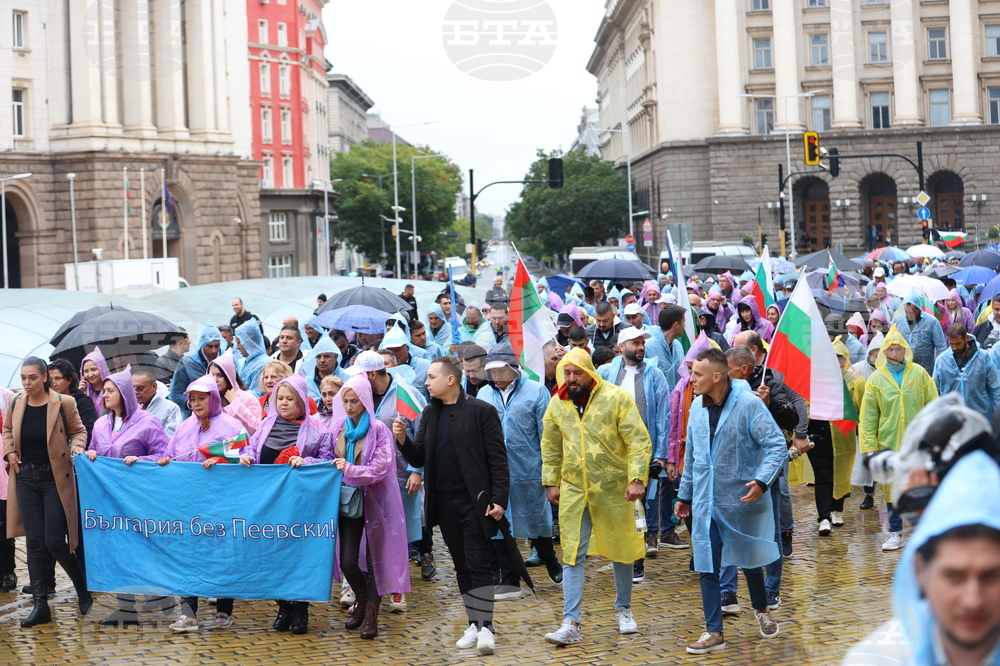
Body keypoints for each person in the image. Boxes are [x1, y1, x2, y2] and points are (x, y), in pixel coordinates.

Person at [393, 357, 509, 656]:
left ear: (450, 380)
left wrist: (499, 500)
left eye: (431, 377)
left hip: (476, 503)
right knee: (460, 566)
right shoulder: (430, 414)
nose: (426, 382)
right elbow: (419, 458)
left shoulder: (481, 411)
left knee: (478, 563)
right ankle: (474, 622)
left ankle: (487, 628)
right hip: (444, 504)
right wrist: (403, 440)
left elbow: (498, 459)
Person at [842, 451, 1000, 666]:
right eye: (954, 576)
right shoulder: (877, 659)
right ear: (920, 572)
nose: (972, 601)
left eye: (991, 576)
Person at [675, 348, 785, 654]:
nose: (691, 379)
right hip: (705, 501)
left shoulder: (749, 404)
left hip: (741, 498)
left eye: (697, 374)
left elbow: (776, 444)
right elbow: (694, 457)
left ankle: (761, 608)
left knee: (748, 558)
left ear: (717, 376)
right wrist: (684, 495)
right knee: (706, 564)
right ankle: (714, 631)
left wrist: (763, 481)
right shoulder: (696, 407)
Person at [540, 347, 651, 646]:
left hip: (616, 489)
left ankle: (624, 608)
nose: (572, 379)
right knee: (572, 551)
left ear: (590, 373)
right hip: (574, 490)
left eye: (578, 373)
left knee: (621, 548)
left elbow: (638, 440)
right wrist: (551, 481)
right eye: (567, 373)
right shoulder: (557, 404)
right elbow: (550, 445)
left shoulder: (616, 399)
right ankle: (570, 621)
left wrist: (637, 478)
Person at [239, 374, 335, 634]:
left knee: (299, 556)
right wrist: (246, 456)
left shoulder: (318, 431)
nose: (283, 403)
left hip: (302, 506)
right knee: (273, 555)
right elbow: (252, 448)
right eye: (279, 398)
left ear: (302, 401)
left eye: (289, 399)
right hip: (270, 504)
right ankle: (283, 605)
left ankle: (301, 607)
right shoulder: (266, 424)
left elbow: (328, 462)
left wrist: (308, 462)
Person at [3, 356, 91, 627]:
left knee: (54, 541)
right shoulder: (16, 402)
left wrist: (77, 446)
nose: (27, 383)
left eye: (32, 377)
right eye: (23, 378)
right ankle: (41, 605)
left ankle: (82, 591)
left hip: (55, 478)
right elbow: (7, 430)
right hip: (26, 478)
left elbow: (79, 431)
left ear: (44, 378)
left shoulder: (64, 402)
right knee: (33, 543)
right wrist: (9, 452)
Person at [157, 375, 246, 632]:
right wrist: (164, 461)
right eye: (192, 399)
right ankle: (189, 614)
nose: (196, 404)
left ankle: (223, 611)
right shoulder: (185, 426)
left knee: (223, 555)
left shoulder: (231, 426)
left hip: (221, 503)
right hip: (188, 505)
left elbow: (247, 457)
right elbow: (170, 452)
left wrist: (223, 462)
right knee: (187, 556)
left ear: (213, 398)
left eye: (201, 398)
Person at [84, 366, 171, 626]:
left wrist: (142, 459)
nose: (105, 395)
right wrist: (90, 455)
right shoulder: (100, 423)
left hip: (138, 497)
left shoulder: (147, 421)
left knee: (140, 547)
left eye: (111, 391)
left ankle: (157, 591)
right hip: (108, 497)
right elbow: (92, 448)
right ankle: (126, 607)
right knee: (116, 550)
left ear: (123, 394)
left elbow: (164, 454)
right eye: (105, 391)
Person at [596, 327, 682, 576]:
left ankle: (636, 559)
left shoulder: (655, 375)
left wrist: (661, 455)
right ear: (621, 347)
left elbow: (664, 418)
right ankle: (618, 553)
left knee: (639, 505)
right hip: (612, 451)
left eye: (642, 343)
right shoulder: (605, 373)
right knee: (615, 503)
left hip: (642, 451)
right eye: (635, 343)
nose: (641, 347)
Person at [478, 345, 561, 598]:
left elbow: (548, 436)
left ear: (514, 368)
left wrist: (550, 475)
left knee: (538, 520)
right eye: (492, 372)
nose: (497, 377)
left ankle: (550, 559)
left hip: (530, 469)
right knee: (500, 523)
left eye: (502, 370)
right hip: (496, 473)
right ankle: (510, 577)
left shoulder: (536, 392)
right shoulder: (483, 394)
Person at [347, 350, 433, 588]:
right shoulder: (358, 395)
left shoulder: (406, 394)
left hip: (401, 475)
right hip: (366, 477)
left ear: (372, 374)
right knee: (370, 529)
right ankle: (375, 578)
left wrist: (418, 470)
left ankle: (398, 582)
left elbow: (423, 434)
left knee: (400, 530)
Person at [859, 324, 939, 552]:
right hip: (889, 442)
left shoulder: (919, 373)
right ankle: (895, 532)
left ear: (906, 351)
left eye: (898, 349)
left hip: (918, 444)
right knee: (892, 489)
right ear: (883, 352)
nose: (894, 354)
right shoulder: (876, 380)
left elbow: (933, 405)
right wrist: (870, 446)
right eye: (890, 350)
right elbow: (869, 415)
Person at [932, 323, 1000, 422]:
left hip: (979, 418)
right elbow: (934, 390)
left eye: (958, 343)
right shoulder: (941, 361)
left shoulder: (984, 358)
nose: (954, 348)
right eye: (951, 344)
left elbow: (995, 388)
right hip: (951, 420)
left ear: (966, 338)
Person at [169, 322, 225, 417]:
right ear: (202, 344)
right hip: (196, 418)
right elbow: (174, 394)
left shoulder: (227, 361)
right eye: (210, 346)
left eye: (217, 346)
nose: (214, 350)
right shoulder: (187, 363)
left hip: (224, 415)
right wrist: (193, 403)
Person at [208, 351, 262, 435]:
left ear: (229, 376)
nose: (215, 380)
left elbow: (256, 428)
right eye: (212, 375)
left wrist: (236, 403)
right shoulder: (207, 399)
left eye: (220, 375)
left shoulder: (248, 398)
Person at [892, 292, 947, 373]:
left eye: (912, 312)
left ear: (918, 308)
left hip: (925, 368)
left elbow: (941, 346)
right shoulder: (897, 320)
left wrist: (940, 367)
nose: (909, 315)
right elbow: (890, 341)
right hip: (903, 368)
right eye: (906, 312)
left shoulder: (932, 322)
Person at [47, 358, 98, 445]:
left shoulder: (83, 402)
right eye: (50, 379)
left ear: (70, 380)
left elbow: (89, 432)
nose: (53, 383)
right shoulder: (46, 402)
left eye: (58, 378)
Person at [380, 327, 431, 401]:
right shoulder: (381, 371)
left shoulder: (426, 367)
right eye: (389, 350)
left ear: (407, 348)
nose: (393, 354)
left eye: (397, 350)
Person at [132, 367, 182, 437]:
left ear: (154, 386)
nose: (135, 392)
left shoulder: (170, 408)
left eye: (140, 388)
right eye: (132, 388)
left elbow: (171, 437)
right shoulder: (129, 408)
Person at [646, 305, 688, 390]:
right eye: (683, 322)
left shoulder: (677, 345)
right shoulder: (648, 347)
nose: (684, 326)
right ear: (676, 325)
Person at [300, 335, 347, 403]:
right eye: (318, 357)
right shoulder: (307, 382)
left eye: (326, 356)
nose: (322, 360)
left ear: (336, 356)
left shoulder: (347, 378)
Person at [235, 318, 268, 397]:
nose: (237, 347)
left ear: (248, 342)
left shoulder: (263, 365)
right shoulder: (245, 361)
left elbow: (256, 396)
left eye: (238, 343)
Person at [80, 347, 111, 415]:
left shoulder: (113, 389)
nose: (90, 375)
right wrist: (80, 395)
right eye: (86, 371)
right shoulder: (85, 391)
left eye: (93, 369)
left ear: (102, 368)